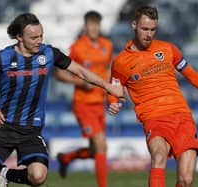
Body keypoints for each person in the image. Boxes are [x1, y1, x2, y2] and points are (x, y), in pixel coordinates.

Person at [0, 13, 123, 187]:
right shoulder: (4, 57)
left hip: (31, 130)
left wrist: (108, 87)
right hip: (3, 129)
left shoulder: (49, 53)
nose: (39, 40)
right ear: (19, 37)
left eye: (41, 36)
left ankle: (6, 173)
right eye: (34, 37)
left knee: (38, 176)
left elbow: (81, 71)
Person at [108, 5, 198, 187]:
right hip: (154, 118)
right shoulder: (120, 63)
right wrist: (114, 102)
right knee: (158, 157)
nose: (149, 34)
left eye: (152, 30)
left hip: (182, 116)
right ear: (134, 25)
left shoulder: (168, 49)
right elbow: (114, 90)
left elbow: (191, 74)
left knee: (186, 180)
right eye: (144, 29)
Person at [55, 10, 113, 187]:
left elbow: (109, 68)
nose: (94, 28)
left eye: (97, 24)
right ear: (85, 26)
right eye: (91, 24)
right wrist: (80, 83)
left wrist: (110, 90)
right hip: (83, 104)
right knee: (101, 145)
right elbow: (59, 74)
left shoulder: (107, 45)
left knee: (97, 150)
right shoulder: (77, 47)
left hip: (99, 103)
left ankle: (66, 157)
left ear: (100, 26)